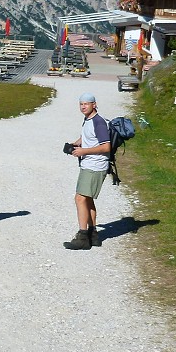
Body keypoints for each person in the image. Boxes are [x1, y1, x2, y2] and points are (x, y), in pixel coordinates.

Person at [63, 92, 110, 250]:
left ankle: (82, 237)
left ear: (94, 105)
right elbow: (87, 137)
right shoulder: (88, 120)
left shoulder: (99, 122)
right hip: (90, 165)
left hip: (95, 166)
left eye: (87, 104)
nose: (83, 106)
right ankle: (93, 235)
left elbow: (106, 146)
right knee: (88, 200)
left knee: (79, 199)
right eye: (81, 104)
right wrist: (75, 144)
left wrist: (84, 152)